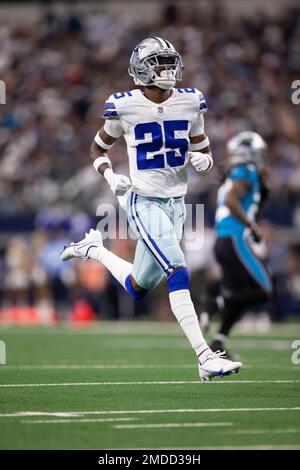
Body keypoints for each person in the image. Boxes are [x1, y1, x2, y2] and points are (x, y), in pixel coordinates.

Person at [61, 37, 242, 381]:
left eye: (170, 61)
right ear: (142, 69)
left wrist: (205, 160)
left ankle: (94, 250)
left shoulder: (191, 101)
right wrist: (109, 174)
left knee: (139, 285)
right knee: (178, 269)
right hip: (143, 202)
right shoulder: (123, 106)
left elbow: (203, 147)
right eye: (160, 62)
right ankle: (205, 356)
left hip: (177, 204)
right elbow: (97, 149)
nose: (168, 69)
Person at [206, 131, 273, 356]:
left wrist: (262, 191)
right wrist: (251, 226)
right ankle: (216, 301)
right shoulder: (246, 170)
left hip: (224, 240)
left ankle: (218, 342)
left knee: (241, 294)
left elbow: (248, 202)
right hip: (235, 239)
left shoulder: (235, 173)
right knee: (264, 289)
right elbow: (232, 199)